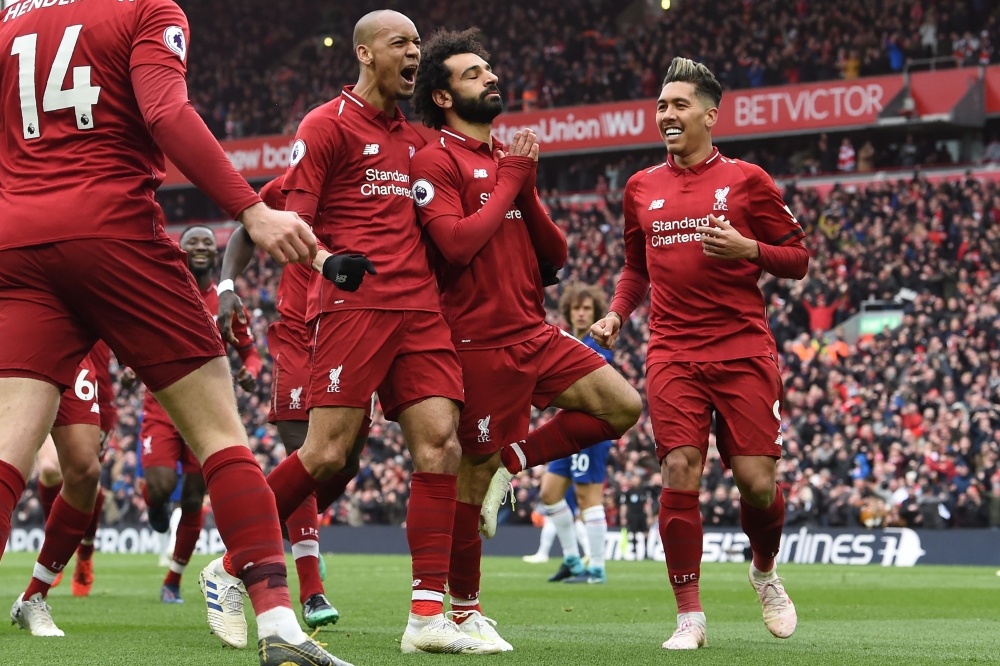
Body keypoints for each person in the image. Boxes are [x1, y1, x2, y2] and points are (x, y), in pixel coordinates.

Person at [0, 0, 348, 662]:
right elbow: (164, 113)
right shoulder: (146, 9)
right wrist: (250, 210)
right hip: (110, 230)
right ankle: (277, 622)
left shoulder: (10, 17)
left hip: (16, 241)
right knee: (221, 434)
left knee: (6, 455)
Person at [222, 11, 497, 656]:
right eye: (400, 43)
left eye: (417, 44)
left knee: (440, 446)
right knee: (326, 455)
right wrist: (325, 263)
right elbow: (291, 223)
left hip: (419, 312)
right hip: (353, 309)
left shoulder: (416, 139)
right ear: (365, 53)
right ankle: (233, 561)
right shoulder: (325, 125)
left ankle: (427, 615)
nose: (413, 52)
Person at [409, 28, 642, 650]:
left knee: (621, 406)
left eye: (490, 67)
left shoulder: (502, 164)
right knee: (467, 473)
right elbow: (455, 246)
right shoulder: (436, 159)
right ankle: (461, 612)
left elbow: (555, 256)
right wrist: (512, 181)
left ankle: (513, 463)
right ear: (441, 95)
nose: (490, 76)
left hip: (536, 332)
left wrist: (526, 187)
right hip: (478, 342)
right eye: (473, 73)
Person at [592, 57, 808, 651]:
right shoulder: (641, 187)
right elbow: (636, 268)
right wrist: (617, 312)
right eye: (661, 105)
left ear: (711, 115)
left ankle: (763, 571)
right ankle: (689, 615)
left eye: (679, 105)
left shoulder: (748, 180)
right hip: (672, 353)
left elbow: (799, 259)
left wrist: (750, 247)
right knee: (679, 471)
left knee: (756, 482)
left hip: (741, 350)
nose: (667, 115)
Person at [217, 175, 370, 629]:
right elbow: (249, 227)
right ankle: (310, 589)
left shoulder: (384, 179)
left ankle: (277, 530)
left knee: (344, 462)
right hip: (299, 333)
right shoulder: (289, 186)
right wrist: (227, 286)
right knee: (305, 448)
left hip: (356, 333)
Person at [131, 225, 261, 605]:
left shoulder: (227, 302)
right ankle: (154, 506)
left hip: (207, 410)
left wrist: (249, 372)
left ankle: (173, 579)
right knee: (158, 485)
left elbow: (250, 353)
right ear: (180, 250)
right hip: (162, 405)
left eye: (208, 241)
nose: (201, 247)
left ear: (215, 251)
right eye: (193, 242)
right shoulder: (160, 292)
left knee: (191, 498)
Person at [11, 353, 105, 636]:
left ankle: (34, 596)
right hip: (19, 337)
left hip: (73, 352)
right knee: (13, 462)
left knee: (85, 471)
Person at [540, 284, 617, 585]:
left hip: (590, 427)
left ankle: (596, 569)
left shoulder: (597, 345)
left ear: (596, 313)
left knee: (588, 497)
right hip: (567, 424)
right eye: (577, 308)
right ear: (570, 312)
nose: (582, 313)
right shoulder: (570, 340)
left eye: (587, 308)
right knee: (550, 492)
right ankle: (572, 559)